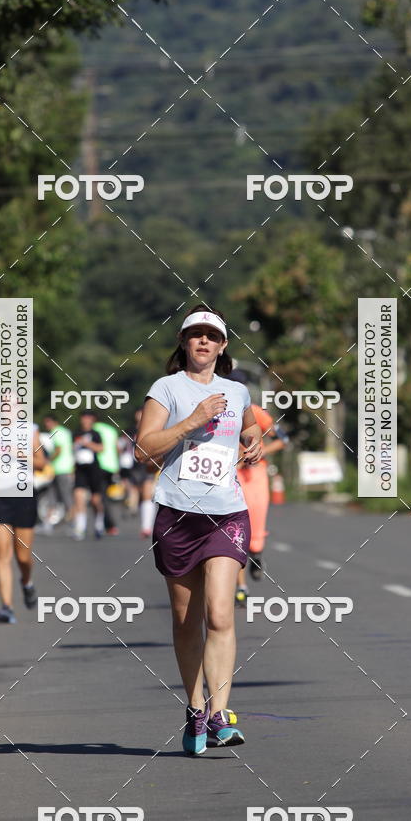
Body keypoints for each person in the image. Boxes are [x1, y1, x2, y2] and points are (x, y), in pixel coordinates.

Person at [135, 303, 262, 755]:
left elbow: (250, 428)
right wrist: (191, 421)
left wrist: (253, 442)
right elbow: (143, 451)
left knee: (221, 614)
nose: (203, 341)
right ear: (184, 342)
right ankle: (195, 709)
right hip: (177, 515)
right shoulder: (166, 389)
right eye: (196, 334)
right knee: (187, 620)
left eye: (212, 335)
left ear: (223, 345)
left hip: (226, 514)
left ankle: (220, 715)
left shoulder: (237, 391)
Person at [0, 417, 46, 623]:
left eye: (10, 403)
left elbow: (41, 463)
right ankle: (7, 607)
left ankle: (27, 582)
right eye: (3, 402)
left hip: (23, 493)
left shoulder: (30, 429)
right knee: (2, 551)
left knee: (23, 557)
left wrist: (18, 454)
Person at [227, 371, 289, 606]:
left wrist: (258, 452)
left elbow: (283, 440)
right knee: (235, 529)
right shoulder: (217, 412)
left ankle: (256, 554)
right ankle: (241, 587)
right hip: (231, 475)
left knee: (255, 525)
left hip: (255, 475)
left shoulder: (256, 412)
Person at [72, 411, 104, 540]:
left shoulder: (96, 434)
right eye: (83, 418)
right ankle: (80, 528)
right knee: (79, 497)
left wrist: (87, 444)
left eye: (88, 418)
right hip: (80, 469)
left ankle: (98, 523)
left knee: (95, 500)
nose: (85, 421)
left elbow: (101, 448)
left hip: (93, 469)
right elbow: (72, 449)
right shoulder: (75, 433)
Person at [128, 408, 156, 539]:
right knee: (136, 493)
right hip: (134, 466)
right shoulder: (131, 431)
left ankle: (146, 527)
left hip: (147, 465)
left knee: (146, 494)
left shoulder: (153, 429)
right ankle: (136, 513)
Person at [42, 415, 75, 528]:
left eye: (48, 422)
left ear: (54, 422)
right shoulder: (65, 431)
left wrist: (47, 460)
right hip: (60, 469)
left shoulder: (56, 432)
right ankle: (48, 523)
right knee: (52, 495)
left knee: (65, 497)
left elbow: (58, 450)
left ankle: (73, 524)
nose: (46, 424)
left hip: (61, 469)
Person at [92, 413, 120, 535]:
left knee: (101, 497)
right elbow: (117, 449)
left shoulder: (93, 429)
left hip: (100, 466)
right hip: (112, 466)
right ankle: (107, 524)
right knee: (106, 496)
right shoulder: (111, 430)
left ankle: (108, 524)